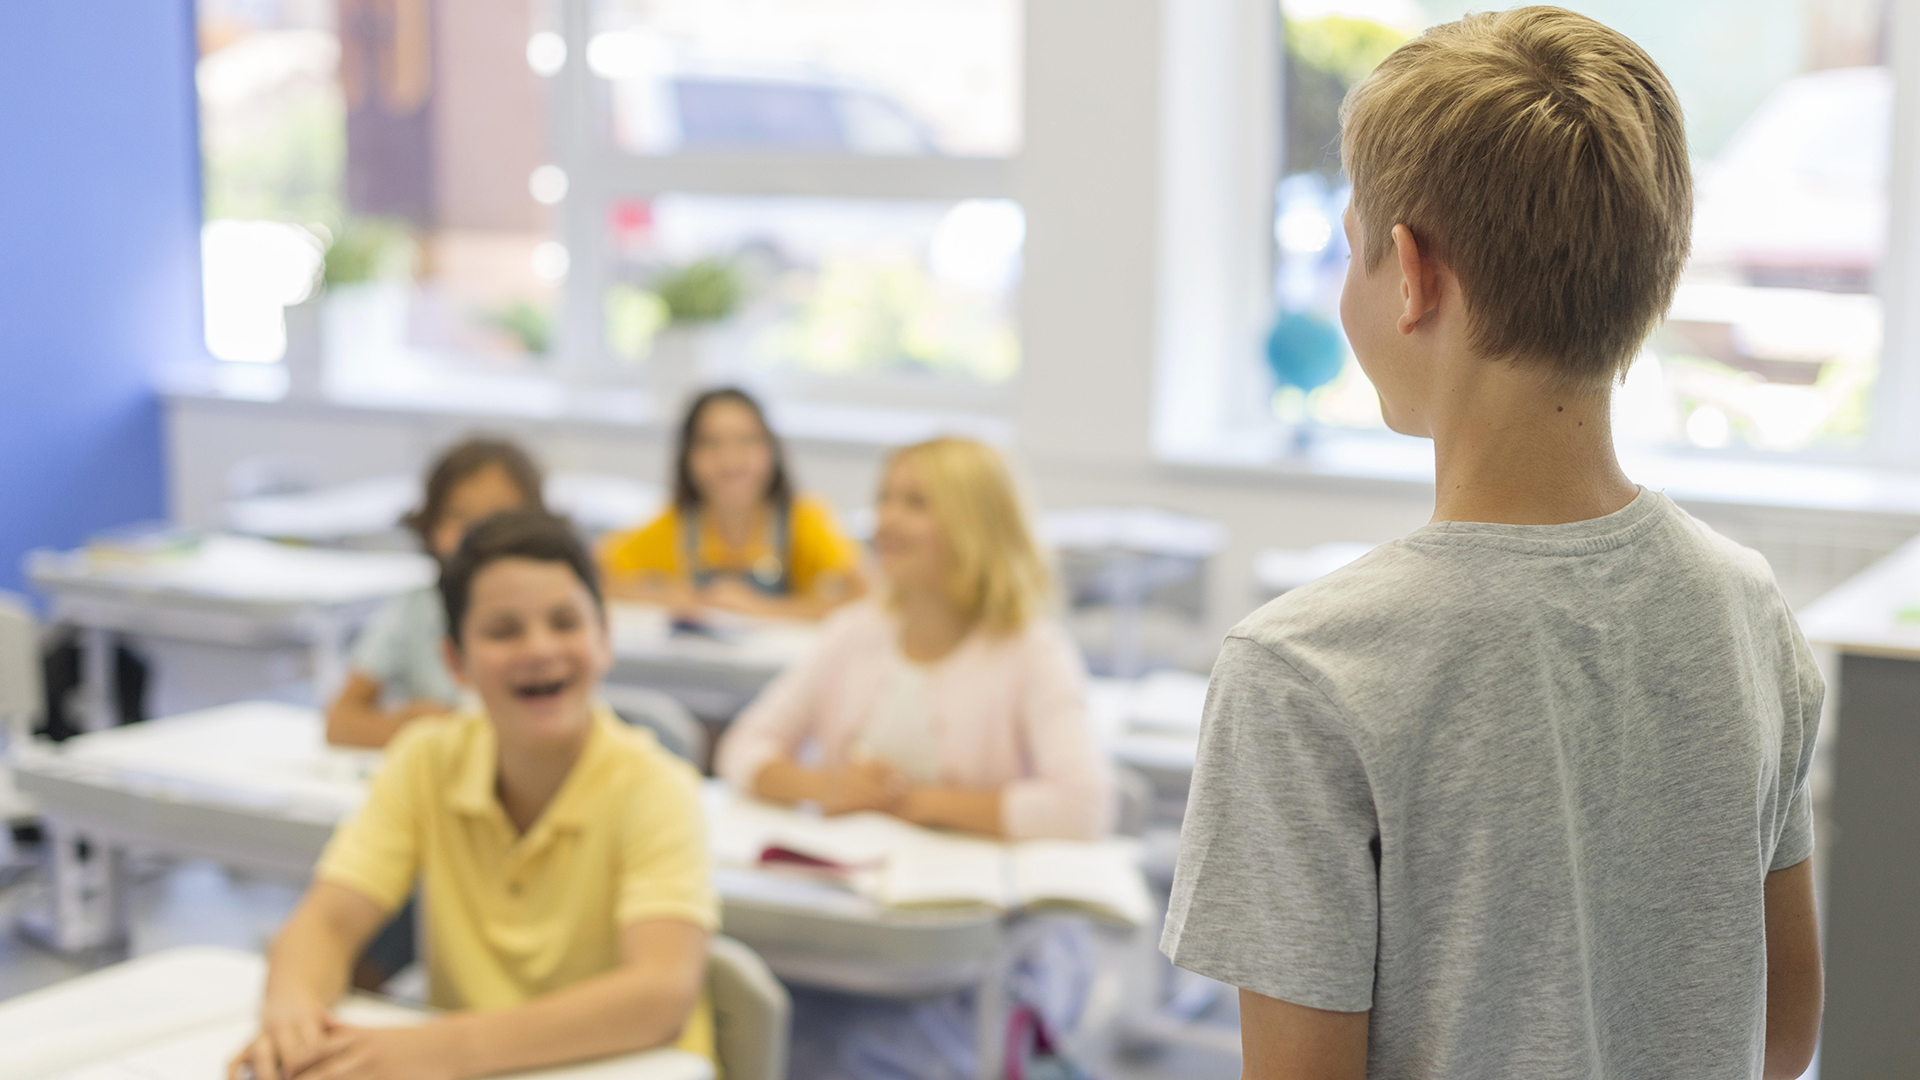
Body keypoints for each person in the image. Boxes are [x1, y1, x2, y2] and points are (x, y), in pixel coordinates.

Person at [1161, 10, 1823, 1080]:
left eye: (1351, 254)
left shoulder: (1303, 672)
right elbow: (1783, 1036)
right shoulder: (1749, 611)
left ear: (1414, 275)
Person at [231, 511, 717, 1080]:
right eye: (503, 630)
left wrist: (433, 1050)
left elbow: (658, 995)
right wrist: (293, 1014)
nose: (539, 648)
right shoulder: (426, 761)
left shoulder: (656, 787)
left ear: (604, 640)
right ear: (455, 662)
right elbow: (327, 923)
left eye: (565, 622)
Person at [716, 436, 1111, 1080]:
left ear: (974, 525)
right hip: (856, 931)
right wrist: (825, 787)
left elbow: (1083, 806)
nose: (885, 520)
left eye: (916, 503)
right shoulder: (853, 633)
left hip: (985, 949)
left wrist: (913, 802)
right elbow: (743, 749)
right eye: (884, 499)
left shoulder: (1031, 650)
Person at [326, 437, 544, 749]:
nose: (476, 535)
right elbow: (340, 720)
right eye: (459, 516)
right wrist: (415, 731)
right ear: (431, 525)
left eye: (498, 519)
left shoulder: (546, 616)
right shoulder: (415, 609)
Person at [599, 387, 865, 621]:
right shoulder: (676, 524)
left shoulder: (804, 519)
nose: (730, 460)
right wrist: (669, 597)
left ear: (771, 449)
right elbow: (596, 573)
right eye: (711, 443)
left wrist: (762, 608)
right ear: (687, 456)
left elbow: (866, 596)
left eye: (746, 441)